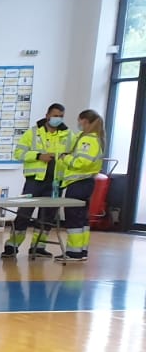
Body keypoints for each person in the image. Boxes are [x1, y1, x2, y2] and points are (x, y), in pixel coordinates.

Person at [3, 103, 74, 259]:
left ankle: (38, 247)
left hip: (55, 182)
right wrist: (38, 156)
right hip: (34, 180)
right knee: (24, 212)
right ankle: (12, 245)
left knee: (47, 216)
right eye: (55, 115)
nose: (58, 119)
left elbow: (73, 155)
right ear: (47, 115)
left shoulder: (68, 135)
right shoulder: (33, 132)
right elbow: (19, 153)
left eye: (61, 116)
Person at [56, 110, 105, 262]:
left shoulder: (88, 140)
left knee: (74, 217)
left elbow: (81, 162)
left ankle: (74, 252)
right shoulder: (94, 138)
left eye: (79, 120)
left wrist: (66, 158)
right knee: (82, 218)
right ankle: (81, 250)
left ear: (85, 121)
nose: (78, 123)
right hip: (85, 183)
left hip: (78, 183)